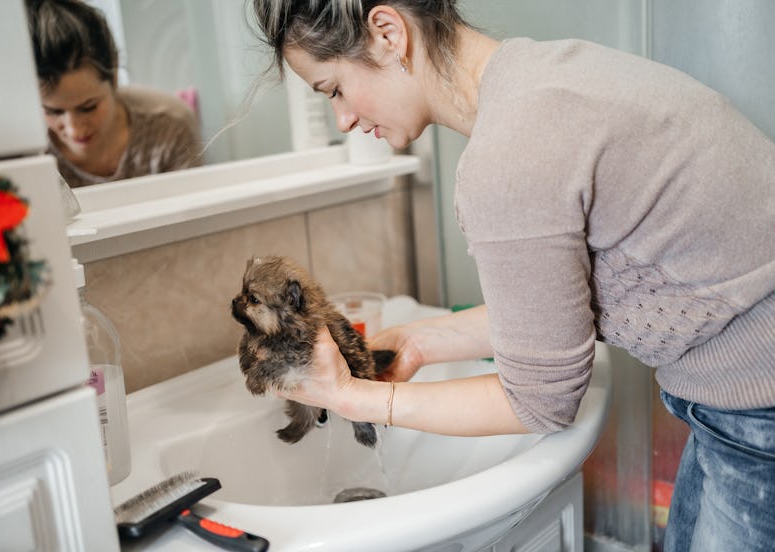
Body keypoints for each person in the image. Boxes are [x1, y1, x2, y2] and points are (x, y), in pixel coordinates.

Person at [251, 1, 775, 551]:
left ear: (387, 32)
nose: (343, 119)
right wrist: (420, 342)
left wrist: (355, 399)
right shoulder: (545, 80)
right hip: (742, 402)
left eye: (333, 88)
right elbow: (563, 309)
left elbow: (540, 402)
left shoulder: (511, 155)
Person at [26, 0, 203, 188]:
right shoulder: (29, 152)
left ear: (115, 74)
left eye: (88, 107)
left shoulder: (169, 125)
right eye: (53, 111)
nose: (74, 130)